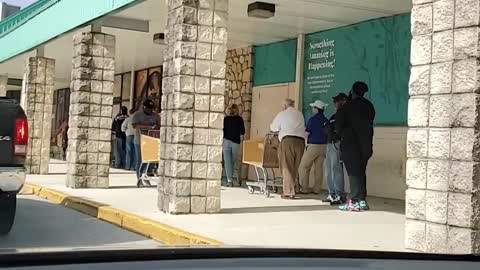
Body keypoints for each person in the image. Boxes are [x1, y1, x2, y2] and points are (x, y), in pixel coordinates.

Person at [336, 82, 375, 211]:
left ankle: (354, 200)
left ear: (352, 91)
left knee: (353, 173)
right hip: (366, 144)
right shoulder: (369, 106)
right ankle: (362, 200)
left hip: (351, 145)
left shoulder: (347, 107)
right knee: (361, 172)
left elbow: (338, 127)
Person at [270, 99, 306, 199]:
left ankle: (289, 191)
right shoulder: (300, 114)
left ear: (285, 105)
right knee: (294, 167)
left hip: (288, 141)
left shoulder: (282, 114)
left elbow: (274, 127)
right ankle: (292, 188)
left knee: (286, 167)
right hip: (300, 143)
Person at [298, 100, 329, 194]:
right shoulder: (326, 120)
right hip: (324, 146)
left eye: (313, 107)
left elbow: (307, 133)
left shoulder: (312, 120)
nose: (312, 109)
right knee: (319, 168)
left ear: (316, 109)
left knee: (304, 166)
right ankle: (317, 189)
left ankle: (304, 188)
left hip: (313, 146)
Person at [323, 93, 348, 205]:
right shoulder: (335, 115)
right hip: (329, 143)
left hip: (337, 143)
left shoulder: (345, 114)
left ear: (343, 101)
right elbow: (327, 127)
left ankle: (340, 195)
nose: (335, 103)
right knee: (328, 170)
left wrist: (331, 129)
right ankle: (332, 194)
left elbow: (338, 129)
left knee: (336, 169)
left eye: (337, 101)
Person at [131, 99, 160, 186]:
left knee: (150, 161)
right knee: (140, 160)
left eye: (151, 109)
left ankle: (146, 176)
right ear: (144, 107)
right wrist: (149, 127)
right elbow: (135, 125)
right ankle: (139, 178)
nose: (150, 110)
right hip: (140, 141)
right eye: (148, 108)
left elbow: (159, 125)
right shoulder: (137, 115)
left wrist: (155, 127)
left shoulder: (156, 116)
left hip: (151, 141)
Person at [223, 104, 245, 187]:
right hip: (236, 142)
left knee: (227, 161)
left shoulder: (225, 119)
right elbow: (242, 132)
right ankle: (230, 180)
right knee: (232, 161)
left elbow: (223, 130)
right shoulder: (240, 119)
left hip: (226, 141)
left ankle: (229, 181)